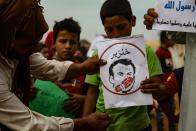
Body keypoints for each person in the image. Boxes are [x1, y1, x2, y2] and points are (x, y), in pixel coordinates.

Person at [0, 0, 111, 130]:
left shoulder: (16, 52)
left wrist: (83, 68)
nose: (32, 51)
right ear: (6, 38)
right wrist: (83, 123)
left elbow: (46, 67)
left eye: (34, 44)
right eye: (27, 45)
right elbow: (29, 124)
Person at [82, 0, 169, 130]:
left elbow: (161, 92)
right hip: (105, 125)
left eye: (121, 27)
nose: (116, 33)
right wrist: (85, 122)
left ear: (133, 21)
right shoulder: (99, 53)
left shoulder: (146, 52)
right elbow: (92, 92)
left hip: (139, 126)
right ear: (104, 27)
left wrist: (156, 88)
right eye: (110, 29)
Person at [29, 17, 87, 118]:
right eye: (63, 41)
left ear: (78, 45)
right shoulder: (40, 68)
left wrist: (83, 99)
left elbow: (95, 97)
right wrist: (26, 92)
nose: (68, 46)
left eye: (72, 42)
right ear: (53, 44)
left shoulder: (84, 71)